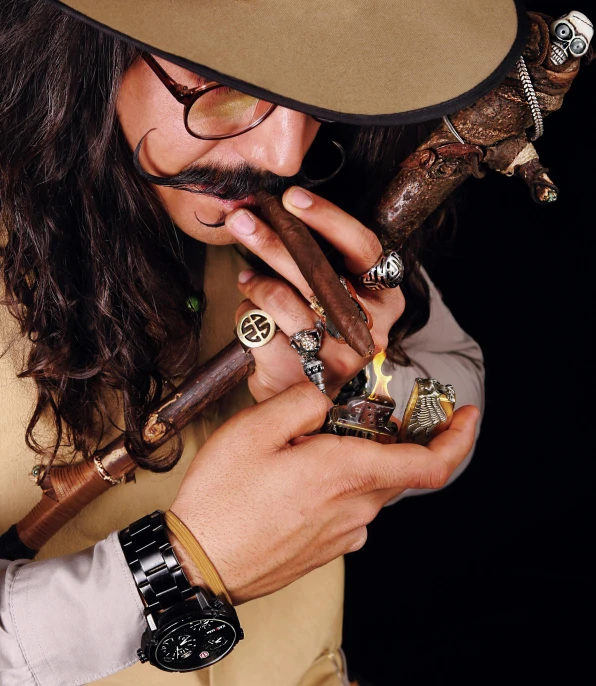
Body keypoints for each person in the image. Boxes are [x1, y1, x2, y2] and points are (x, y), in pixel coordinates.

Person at [0, 0, 522, 683]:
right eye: (228, 80)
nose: (285, 153)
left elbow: (452, 400)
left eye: (315, 85)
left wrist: (370, 396)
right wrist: (182, 568)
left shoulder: (322, 214)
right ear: (86, 48)